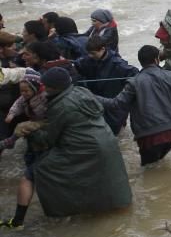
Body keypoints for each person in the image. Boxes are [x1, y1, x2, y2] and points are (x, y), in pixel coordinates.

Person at [21, 67, 131, 218]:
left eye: (46, 86)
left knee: (41, 168)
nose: (44, 89)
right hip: (107, 140)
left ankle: (61, 213)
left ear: (55, 88)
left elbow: (50, 140)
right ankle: (112, 207)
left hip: (84, 150)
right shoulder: (81, 91)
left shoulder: (60, 106)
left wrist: (31, 132)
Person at [99, 45, 171, 166]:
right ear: (157, 59)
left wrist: (92, 97)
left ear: (141, 62)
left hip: (149, 136)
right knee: (158, 163)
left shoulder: (133, 82)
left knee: (149, 169)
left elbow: (116, 104)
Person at [0, 70, 46, 228]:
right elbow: (18, 104)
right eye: (21, 90)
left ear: (36, 88)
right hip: (35, 138)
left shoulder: (45, 97)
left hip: (43, 129)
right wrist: (11, 115)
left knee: (29, 177)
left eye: (26, 90)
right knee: (30, 172)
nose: (23, 93)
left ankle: (18, 221)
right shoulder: (26, 97)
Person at [74, 36, 138, 134]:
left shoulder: (118, 64)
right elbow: (77, 67)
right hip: (96, 102)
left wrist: (125, 93)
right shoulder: (87, 60)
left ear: (103, 49)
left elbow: (135, 75)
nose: (90, 56)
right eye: (89, 53)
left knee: (114, 132)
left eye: (93, 53)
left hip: (113, 104)